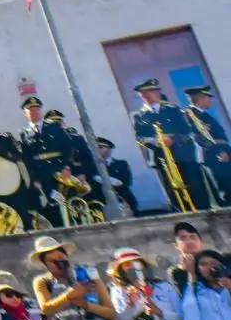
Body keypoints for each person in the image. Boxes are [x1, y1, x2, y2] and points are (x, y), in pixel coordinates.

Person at [134, 78, 207, 213]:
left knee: (196, 188)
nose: (156, 93)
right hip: (162, 158)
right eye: (151, 91)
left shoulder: (173, 109)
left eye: (157, 90)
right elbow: (140, 137)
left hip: (183, 155)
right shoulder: (140, 116)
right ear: (142, 95)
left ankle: (204, 214)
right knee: (172, 191)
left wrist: (173, 138)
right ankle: (182, 215)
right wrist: (156, 141)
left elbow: (188, 130)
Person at [183, 86, 231, 207]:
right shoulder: (189, 115)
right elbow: (198, 136)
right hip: (211, 155)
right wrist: (219, 151)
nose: (210, 101)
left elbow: (221, 136)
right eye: (207, 98)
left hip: (221, 153)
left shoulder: (205, 115)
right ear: (198, 99)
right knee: (222, 185)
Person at [94, 138, 138, 217]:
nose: (97, 150)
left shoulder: (121, 164)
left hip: (123, 199)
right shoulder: (93, 166)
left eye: (100, 147)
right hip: (103, 202)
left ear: (109, 149)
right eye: (96, 147)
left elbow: (126, 181)